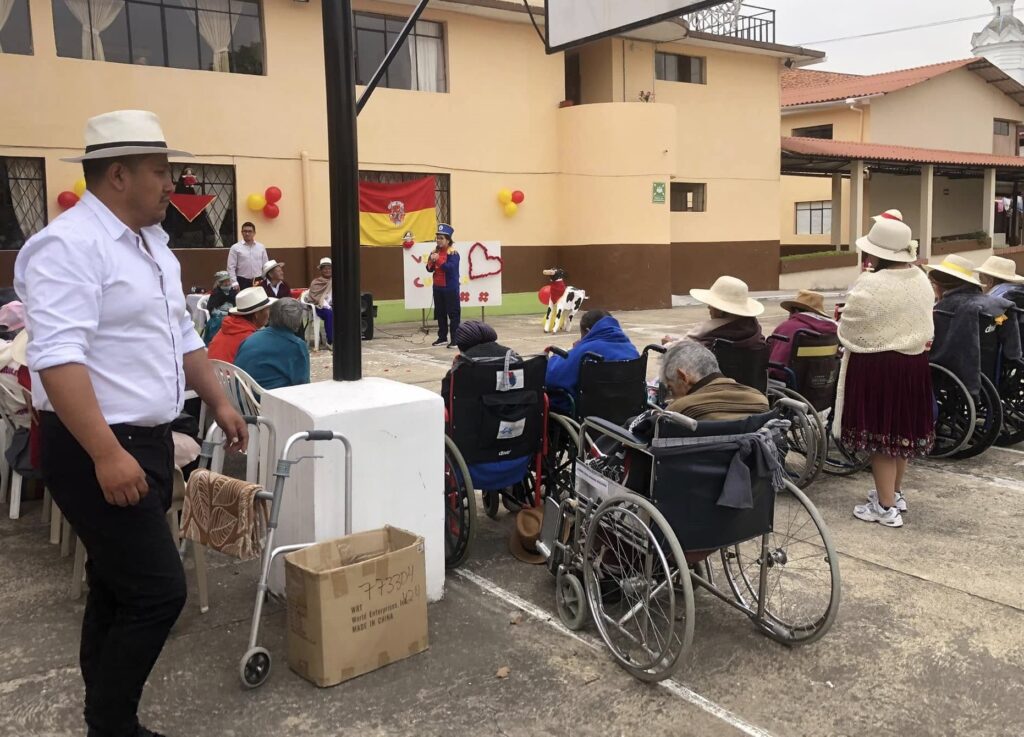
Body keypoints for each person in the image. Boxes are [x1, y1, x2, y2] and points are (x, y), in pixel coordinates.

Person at [13, 109, 248, 737]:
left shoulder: (152, 246)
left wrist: (219, 401)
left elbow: (181, 337)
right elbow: (57, 358)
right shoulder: (69, 245)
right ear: (119, 175)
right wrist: (105, 454)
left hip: (143, 440)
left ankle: (106, 720)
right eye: (159, 171)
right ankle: (113, 724)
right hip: (96, 444)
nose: (171, 183)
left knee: (117, 587)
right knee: (157, 593)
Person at [835, 215, 935, 528]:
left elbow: (850, 328)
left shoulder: (872, 283)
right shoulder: (920, 278)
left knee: (881, 437)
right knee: (901, 433)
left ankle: (884, 506)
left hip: (879, 366)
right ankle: (895, 492)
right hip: (913, 363)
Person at [927, 254, 1021, 398]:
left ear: (941, 284)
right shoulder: (997, 305)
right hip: (991, 368)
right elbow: (1001, 322)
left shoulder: (947, 307)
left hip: (958, 370)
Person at [546, 310, 639, 414]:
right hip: (626, 411)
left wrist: (557, 357)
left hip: (589, 415)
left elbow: (552, 377)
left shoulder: (586, 353)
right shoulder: (632, 349)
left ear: (588, 331)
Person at [660, 340, 769, 420]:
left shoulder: (680, 411)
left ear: (683, 377)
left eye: (671, 389)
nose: (672, 397)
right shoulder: (760, 400)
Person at [663, 276, 765, 350]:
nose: (708, 307)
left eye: (712, 305)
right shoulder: (753, 329)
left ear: (720, 310)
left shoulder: (706, 330)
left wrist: (667, 344)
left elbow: (681, 348)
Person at [235, 298, 311, 390]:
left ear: (271, 315)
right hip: (268, 400)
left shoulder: (251, 337)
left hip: (240, 398)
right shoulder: (296, 346)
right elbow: (303, 387)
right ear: (297, 320)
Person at [768, 290, 838, 379]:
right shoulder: (833, 329)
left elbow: (775, 368)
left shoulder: (787, 328)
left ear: (796, 310)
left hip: (790, 383)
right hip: (823, 383)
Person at [207, 287, 274, 364]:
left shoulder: (226, 327)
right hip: (235, 375)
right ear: (257, 315)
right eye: (267, 309)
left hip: (215, 373)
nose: (270, 313)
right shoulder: (253, 339)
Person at [426, 223, 461, 347]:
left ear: (448, 240)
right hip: (437, 287)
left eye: (441, 238)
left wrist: (438, 260)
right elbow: (429, 269)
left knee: (453, 314)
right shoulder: (434, 252)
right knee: (440, 313)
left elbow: (450, 268)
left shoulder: (453, 254)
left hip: (450, 288)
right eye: (438, 238)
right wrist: (430, 261)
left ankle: (455, 340)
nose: (439, 240)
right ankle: (442, 338)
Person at [226, 221, 268, 290]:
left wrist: (266, 280)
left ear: (254, 233)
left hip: (258, 281)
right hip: (242, 281)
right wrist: (234, 282)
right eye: (245, 231)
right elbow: (231, 267)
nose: (247, 233)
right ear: (242, 232)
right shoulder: (235, 247)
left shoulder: (261, 247)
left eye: (250, 231)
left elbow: (265, 265)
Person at [307, 257, 333, 348]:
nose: (327, 270)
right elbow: (315, 297)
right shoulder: (316, 282)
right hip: (320, 307)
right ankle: (330, 341)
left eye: (329, 268)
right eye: (325, 268)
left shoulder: (337, 281)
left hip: (332, 305)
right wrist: (327, 306)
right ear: (321, 270)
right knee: (329, 313)